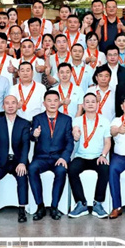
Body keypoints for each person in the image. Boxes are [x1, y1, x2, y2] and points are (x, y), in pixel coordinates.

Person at [0, 95, 32, 223]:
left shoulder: (24, 123)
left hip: (17, 160)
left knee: (22, 177)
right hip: (0, 161)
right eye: (7, 103)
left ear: (17, 105)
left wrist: (22, 162)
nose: (10, 106)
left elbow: (26, 144)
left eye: (13, 103)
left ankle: (22, 210)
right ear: (3, 106)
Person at [29, 91, 74, 221]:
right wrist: (34, 135)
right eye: (49, 100)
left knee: (61, 171)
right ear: (44, 103)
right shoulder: (37, 118)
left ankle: (54, 207)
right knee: (31, 169)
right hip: (41, 157)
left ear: (59, 103)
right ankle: (40, 206)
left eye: (55, 100)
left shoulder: (66, 119)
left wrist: (64, 157)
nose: (52, 103)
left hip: (58, 157)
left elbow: (69, 142)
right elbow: (31, 136)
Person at [67, 93, 112, 219]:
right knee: (72, 169)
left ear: (97, 104)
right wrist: (76, 134)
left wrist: (103, 155)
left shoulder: (104, 121)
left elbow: (108, 142)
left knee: (105, 169)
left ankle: (98, 203)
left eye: (93, 101)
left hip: (98, 156)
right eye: (87, 102)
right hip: (81, 156)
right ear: (83, 105)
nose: (90, 104)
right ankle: (81, 203)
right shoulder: (77, 120)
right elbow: (75, 130)